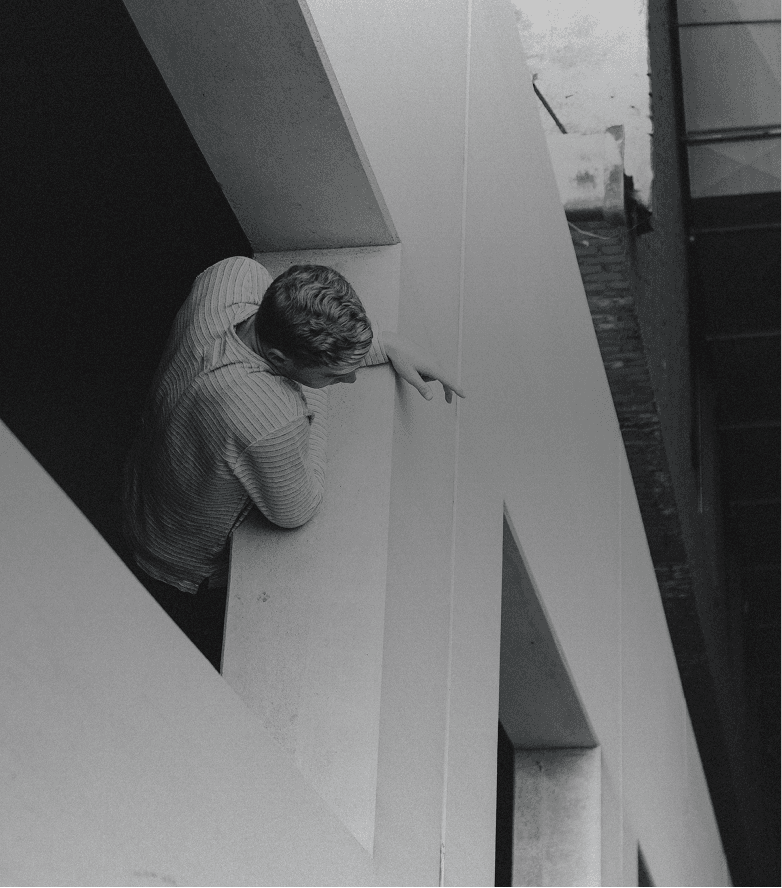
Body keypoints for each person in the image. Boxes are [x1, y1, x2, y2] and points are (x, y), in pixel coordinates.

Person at [123, 255, 463, 605]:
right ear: (280, 359)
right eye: (332, 375)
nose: (350, 378)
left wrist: (385, 343)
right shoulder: (269, 417)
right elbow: (297, 510)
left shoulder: (236, 274)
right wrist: (310, 399)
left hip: (143, 486)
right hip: (177, 560)